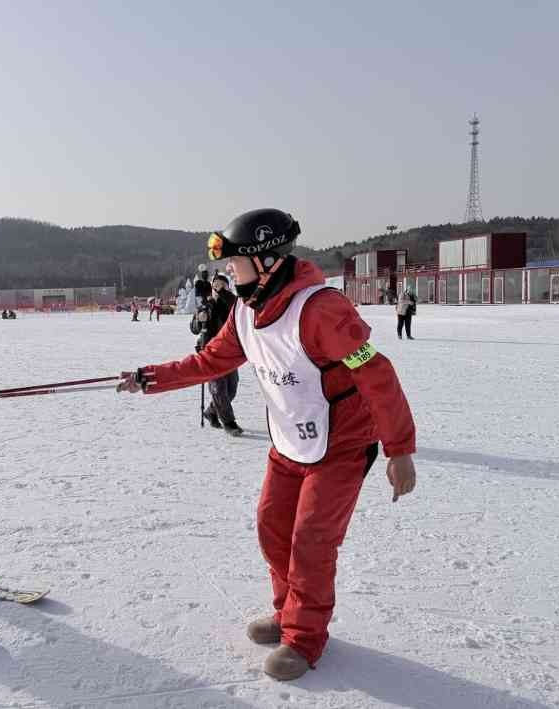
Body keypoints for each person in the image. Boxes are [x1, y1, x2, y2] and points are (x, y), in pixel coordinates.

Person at [117, 208, 417, 681]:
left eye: (234, 263)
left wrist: (400, 450)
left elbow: (376, 373)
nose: (227, 273)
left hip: (341, 445)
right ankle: (288, 612)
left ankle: (304, 637)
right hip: (288, 442)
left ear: (267, 262)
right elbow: (210, 361)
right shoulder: (245, 311)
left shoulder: (323, 311)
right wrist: (150, 378)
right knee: (271, 529)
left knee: (311, 542)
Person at [191, 273, 242, 435]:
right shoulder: (206, 305)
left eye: (223, 285)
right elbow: (194, 329)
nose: (218, 288)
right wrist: (199, 320)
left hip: (230, 353)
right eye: (216, 285)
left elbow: (238, 307)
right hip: (211, 353)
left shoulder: (233, 304)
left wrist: (224, 293)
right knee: (218, 389)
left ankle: (211, 412)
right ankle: (229, 423)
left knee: (231, 390)